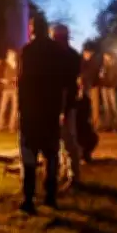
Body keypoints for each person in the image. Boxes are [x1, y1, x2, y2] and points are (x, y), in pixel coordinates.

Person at [17, 17, 66, 214]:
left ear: (32, 29)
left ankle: (29, 199)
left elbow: (23, 81)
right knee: (51, 156)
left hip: (31, 112)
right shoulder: (57, 51)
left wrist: (21, 109)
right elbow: (62, 82)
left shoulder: (27, 51)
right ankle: (50, 197)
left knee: (29, 156)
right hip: (50, 111)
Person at [51, 24, 83, 185]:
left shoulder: (65, 56)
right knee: (62, 140)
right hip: (63, 102)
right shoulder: (71, 55)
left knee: (68, 140)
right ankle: (66, 171)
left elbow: (65, 84)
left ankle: (73, 176)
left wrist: (63, 108)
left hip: (65, 103)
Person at [99, 52, 117, 133]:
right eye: (104, 57)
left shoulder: (115, 65)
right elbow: (101, 76)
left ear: (110, 56)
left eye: (106, 56)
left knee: (114, 107)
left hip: (112, 88)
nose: (105, 58)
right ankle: (108, 125)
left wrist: (114, 85)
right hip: (104, 87)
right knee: (106, 107)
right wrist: (101, 77)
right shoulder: (103, 66)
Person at [0, 49, 19, 132]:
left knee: (14, 109)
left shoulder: (17, 65)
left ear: (13, 56)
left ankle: (11, 127)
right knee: (2, 108)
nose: (8, 56)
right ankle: (0, 125)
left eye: (10, 55)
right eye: (8, 55)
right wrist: (2, 80)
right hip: (6, 90)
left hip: (15, 90)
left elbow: (19, 77)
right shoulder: (4, 65)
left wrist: (13, 80)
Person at [81, 46, 101, 132]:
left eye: (86, 53)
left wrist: (84, 76)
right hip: (85, 85)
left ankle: (96, 124)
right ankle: (88, 122)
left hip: (93, 85)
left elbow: (92, 73)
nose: (85, 55)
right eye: (84, 53)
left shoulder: (94, 62)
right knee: (86, 104)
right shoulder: (83, 62)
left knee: (94, 105)